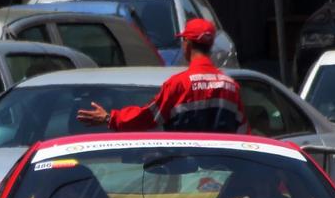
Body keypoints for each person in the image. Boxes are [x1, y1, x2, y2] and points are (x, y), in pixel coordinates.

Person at [76, 18, 249, 133]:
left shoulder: (178, 85)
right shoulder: (231, 86)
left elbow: (147, 117)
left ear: (187, 44)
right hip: (224, 169)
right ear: (210, 46)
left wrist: (109, 117)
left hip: (186, 172)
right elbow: (243, 131)